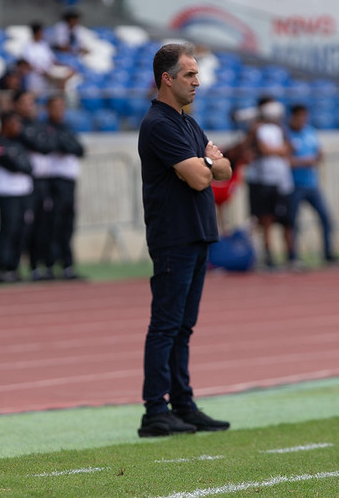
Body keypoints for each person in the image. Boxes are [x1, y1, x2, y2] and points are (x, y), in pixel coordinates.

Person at [137, 43, 232, 438]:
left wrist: (205, 162)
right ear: (167, 78)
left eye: (197, 74)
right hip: (174, 236)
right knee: (166, 325)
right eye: (190, 74)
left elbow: (224, 169)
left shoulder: (187, 123)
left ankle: (183, 403)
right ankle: (155, 410)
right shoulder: (159, 124)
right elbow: (199, 177)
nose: (198, 81)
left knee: (183, 327)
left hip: (196, 234)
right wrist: (205, 163)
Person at [244, 97, 295, 270]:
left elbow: (291, 146)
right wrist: (279, 150)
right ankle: (268, 257)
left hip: (282, 181)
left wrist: (277, 150)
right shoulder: (256, 128)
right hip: (264, 180)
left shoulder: (280, 128)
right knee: (266, 220)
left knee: (287, 220)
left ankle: (291, 256)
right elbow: (262, 149)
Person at [12, 90, 58, 281]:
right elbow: (40, 145)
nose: (30, 106)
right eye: (25, 102)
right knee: (27, 225)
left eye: (31, 102)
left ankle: (45, 264)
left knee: (45, 224)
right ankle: (27, 266)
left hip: (44, 181)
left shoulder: (39, 124)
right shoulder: (16, 125)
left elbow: (49, 144)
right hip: (27, 182)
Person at [287, 104, 339, 266]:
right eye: (300, 116)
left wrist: (318, 156)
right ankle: (293, 256)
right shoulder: (286, 134)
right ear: (293, 117)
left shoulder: (310, 131)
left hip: (311, 184)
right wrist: (304, 161)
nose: (303, 120)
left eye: (305, 116)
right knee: (293, 222)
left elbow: (318, 152)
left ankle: (328, 253)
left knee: (325, 217)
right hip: (294, 185)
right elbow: (285, 160)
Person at [0, 111, 33, 284]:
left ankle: (13, 267)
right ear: (5, 125)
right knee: (8, 230)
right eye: (15, 124)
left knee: (21, 230)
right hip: (6, 192)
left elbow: (28, 165)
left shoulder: (19, 143)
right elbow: (14, 164)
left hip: (23, 192)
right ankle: (1, 268)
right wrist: (20, 164)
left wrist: (21, 164)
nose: (19, 128)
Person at [44, 94, 85, 280]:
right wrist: (67, 145)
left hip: (68, 182)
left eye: (61, 107)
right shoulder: (45, 128)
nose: (59, 111)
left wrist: (66, 145)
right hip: (53, 181)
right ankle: (51, 264)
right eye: (55, 106)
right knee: (53, 224)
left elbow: (79, 149)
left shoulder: (66, 128)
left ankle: (67, 264)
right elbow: (55, 145)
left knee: (68, 224)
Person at [21, 21, 75, 95]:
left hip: (49, 75)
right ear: (37, 32)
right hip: (36, 77)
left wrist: (64, 66)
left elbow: (52, 60)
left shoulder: (44, 45)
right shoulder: (27, 46)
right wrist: (43, 72)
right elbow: (28, 64)